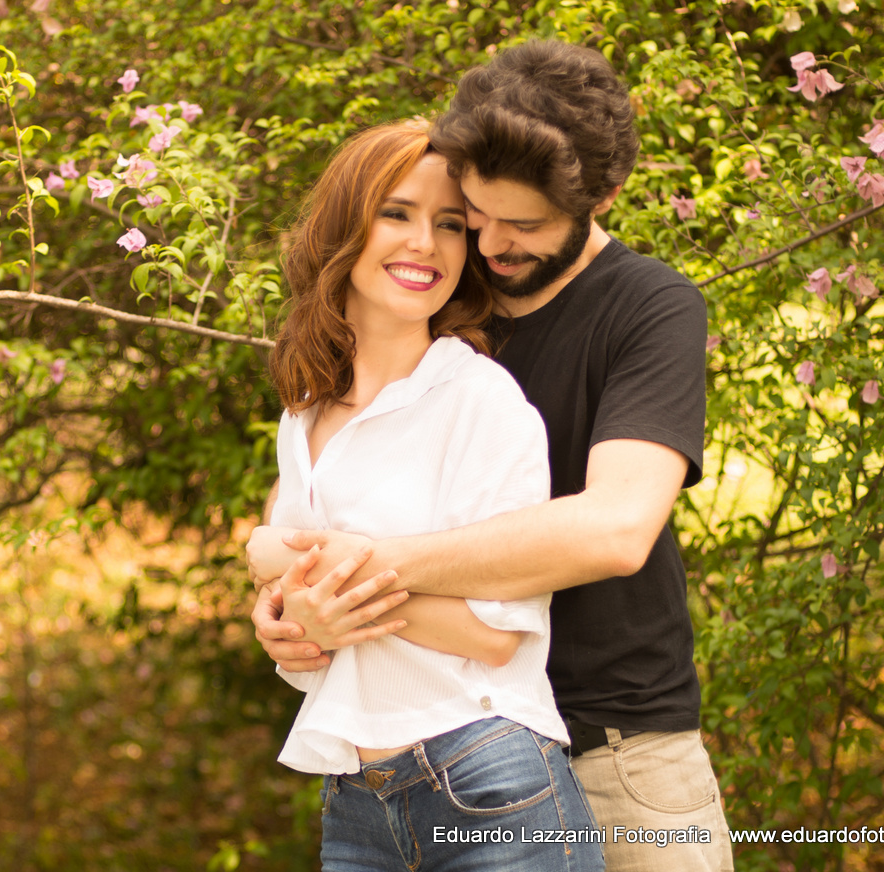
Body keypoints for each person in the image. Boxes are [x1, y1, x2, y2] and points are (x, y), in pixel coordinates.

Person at [248, 41, 735, 872]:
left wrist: (359, 574)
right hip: (425, 746)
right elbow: (331, 481)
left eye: (526, 224)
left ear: (603, 196)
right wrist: (282, 596)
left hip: (617, 747)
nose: (492, 242)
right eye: (476, 213)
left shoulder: (649, 307)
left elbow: (615, 528)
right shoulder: (441, 304)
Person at [262, 120, 605, 872]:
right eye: (397, 213)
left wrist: (324, 597)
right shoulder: (305, 412)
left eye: (450, 225)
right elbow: (287, 589)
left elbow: (494, 633)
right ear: (344, 224)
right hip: (356, 797)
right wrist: (291, 617)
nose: (426, 243)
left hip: (490, 778)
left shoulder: (480, 402)